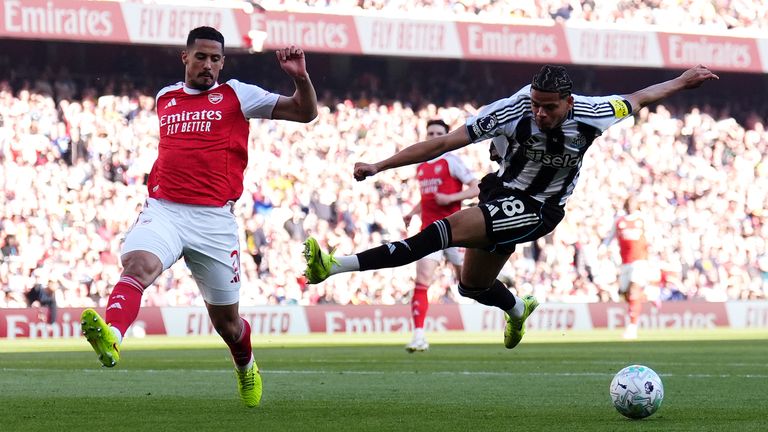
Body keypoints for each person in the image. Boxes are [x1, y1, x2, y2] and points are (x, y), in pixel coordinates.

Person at [303, 64, 717, 349]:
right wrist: (380, 165)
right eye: (536, 103)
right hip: (499, 192)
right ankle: (518, 309)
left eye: (549, 107)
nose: (539, 113)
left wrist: (682, 81)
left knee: (438, 234)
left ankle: (335, 265)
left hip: (540, 209)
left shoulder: (595, 113)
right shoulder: (510, 111)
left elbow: (640, 97)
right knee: (471, 287)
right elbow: (446, 143)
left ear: (569, 102)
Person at [80, 26, 317, 408]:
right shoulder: (165, 98)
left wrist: (300, 77)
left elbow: (306, 113)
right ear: (185, 58)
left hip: (214, 222)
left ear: (223, 62)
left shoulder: (238, 94)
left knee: (228, 324)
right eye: (202, 57)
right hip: (165, 210)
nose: (209, 65)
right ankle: (113, 338)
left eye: (216, 59)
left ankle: (246, 366)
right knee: (138, 266)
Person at [402, 119, 479, 352]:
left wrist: (452, 199)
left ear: (446, 136)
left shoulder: (451, 161)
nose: (434, 136)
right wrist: (412, 212)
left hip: (455, 231)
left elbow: (476, 187)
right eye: (430, 133)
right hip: (430, 231)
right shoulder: (421, 165)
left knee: (468, 283)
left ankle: (504, 304)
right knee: (422, 280)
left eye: (439, 133)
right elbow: (427, 198)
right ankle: (418, 336)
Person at [601, 196, 658, 340]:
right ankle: (648, 294)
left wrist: (653, 249)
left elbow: (652, 236)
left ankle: (632, 328)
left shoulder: (642, 219)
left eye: (634, 203)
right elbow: (610, 236)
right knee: (626, 294)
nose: (631, 206)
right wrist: (602, 248)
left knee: (633, 290)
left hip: (640, 261)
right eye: (629, 203)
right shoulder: (619, 220)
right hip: (625, 263)